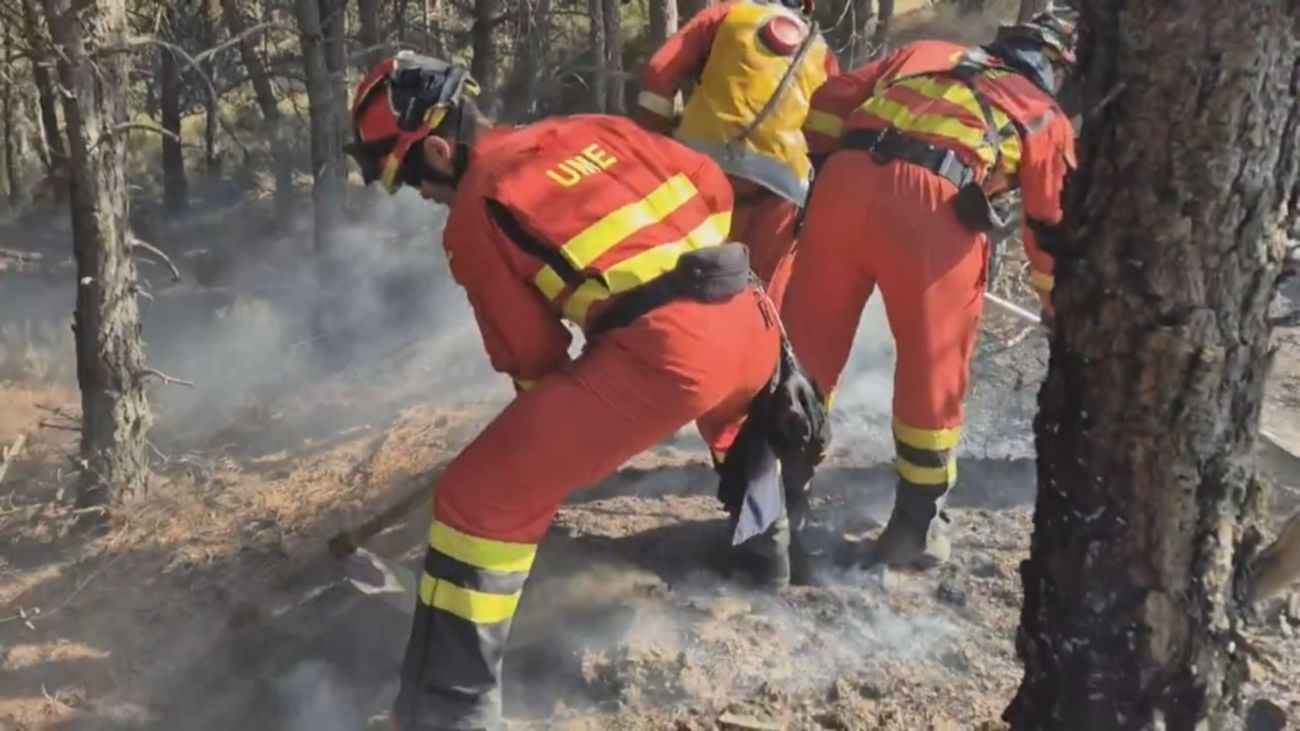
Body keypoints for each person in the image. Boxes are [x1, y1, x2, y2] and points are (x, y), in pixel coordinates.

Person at [344, 52, 824, 731]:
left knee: (476, 496)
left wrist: (549, 424)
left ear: (442, 149)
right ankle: (765, 553)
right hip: (748, 318)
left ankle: (444, 712)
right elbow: (711, 185)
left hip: (665, 355)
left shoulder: (477, 205)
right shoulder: (593, 128)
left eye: (411, 176)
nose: (421, 194)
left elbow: (532, 352)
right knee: (737, 420)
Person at [781, 12, 1079, 570]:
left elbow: (830, 97)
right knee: (932, 373)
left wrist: (828, 165)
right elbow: (1051, 232)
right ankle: (915, 528)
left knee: (808, 355)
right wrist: (1061, 314)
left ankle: (776, 506)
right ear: (1059, 69)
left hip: (843, 183)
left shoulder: (928, 51)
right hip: (933, 209)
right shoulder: (1046, 117)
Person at [634, 0, 839, 308]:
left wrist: (656, 141)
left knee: (676, 287)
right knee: (761, 302)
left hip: (699, 172)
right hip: (781, 190)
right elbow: (828, 129)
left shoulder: (729, 13)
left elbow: (659, 70)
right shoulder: (822, 54)